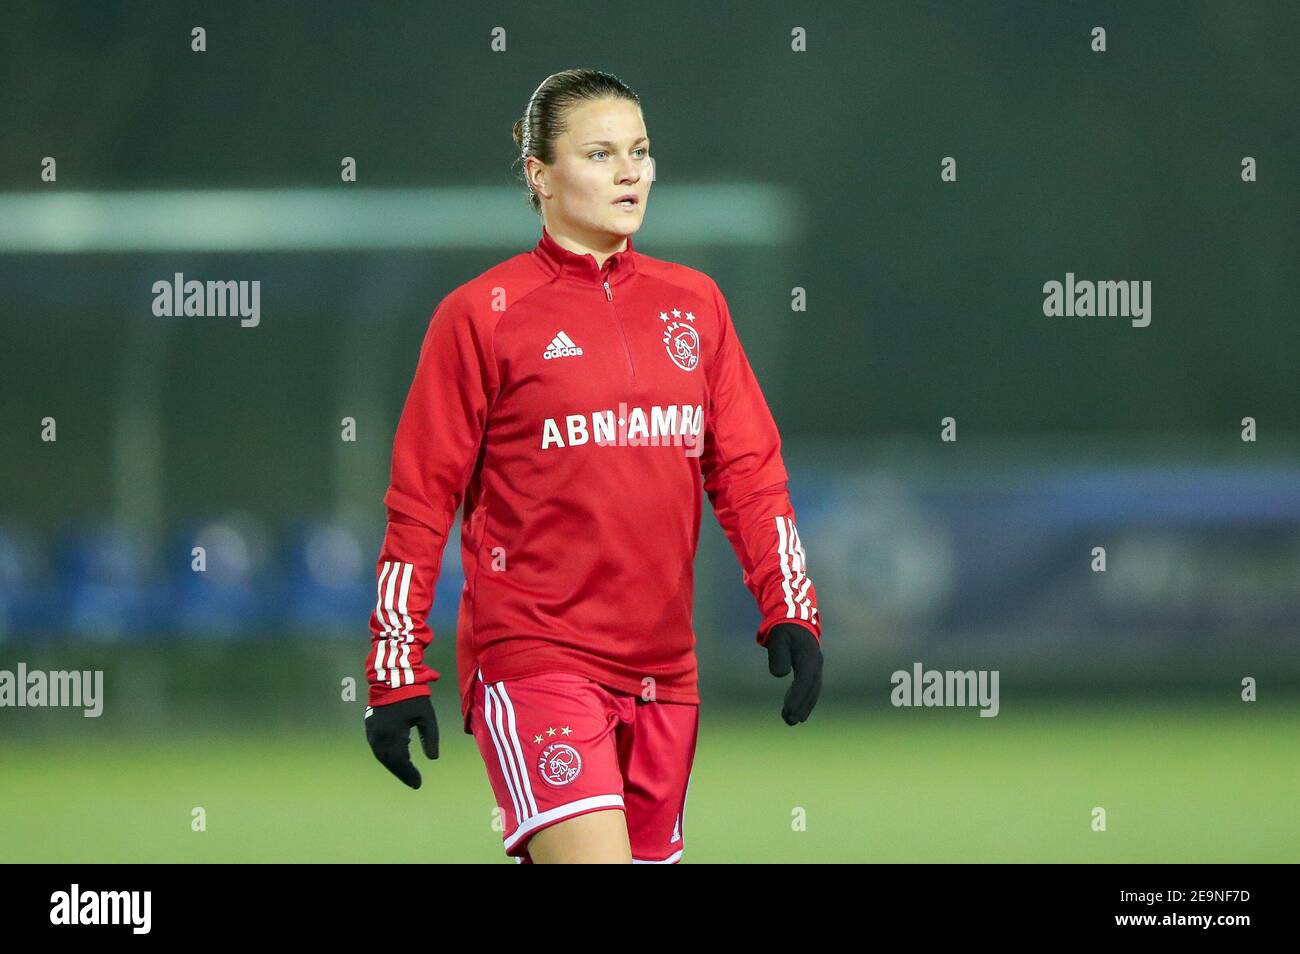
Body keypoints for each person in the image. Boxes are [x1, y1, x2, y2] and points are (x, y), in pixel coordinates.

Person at [363, 68, 823, 864]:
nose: (630, 172)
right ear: (541, 175)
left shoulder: (697, 304)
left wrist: (789, 605)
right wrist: (397, 666)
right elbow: (420, 503)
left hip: (665, 672)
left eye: (640, 151)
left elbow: (749, 473)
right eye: (601, 152)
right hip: (536, 658)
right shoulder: (481, 315)